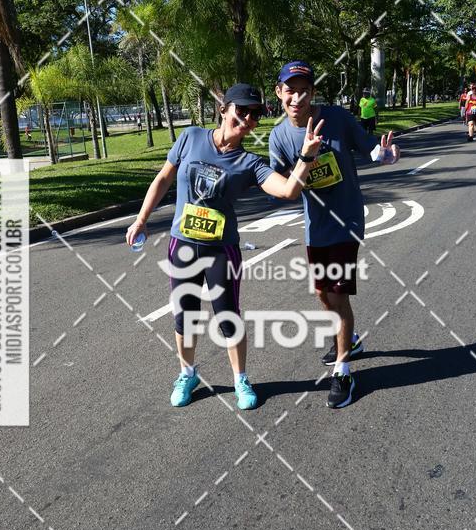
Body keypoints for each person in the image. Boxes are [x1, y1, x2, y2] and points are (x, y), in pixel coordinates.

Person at [126, 83, 322, 409]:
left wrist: (305, 158)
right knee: (184, 317)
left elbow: (288, 191)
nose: (246, 119)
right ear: (224, 109)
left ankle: (240, 380)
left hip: (221, 250)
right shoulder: (191, 138)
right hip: (183, 246)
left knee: (228, 318)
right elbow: (163, 178)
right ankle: (187, 374)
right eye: (241, 111)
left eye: (254, 115)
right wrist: (141, 219)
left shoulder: (250, 163)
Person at [268, 60, 400, 409]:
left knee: (337, 297)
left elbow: (371, 147)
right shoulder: (279, 136)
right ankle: (351, 341)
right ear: (279, 93)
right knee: (323, 295)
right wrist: (305, 159)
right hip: (316, 226)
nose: (296, 97)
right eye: (289, 89)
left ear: (312, 91)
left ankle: (343, 371)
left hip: (346, 221)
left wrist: (384, 155)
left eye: (303, 89)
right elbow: (282, 186)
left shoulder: (338, 119)